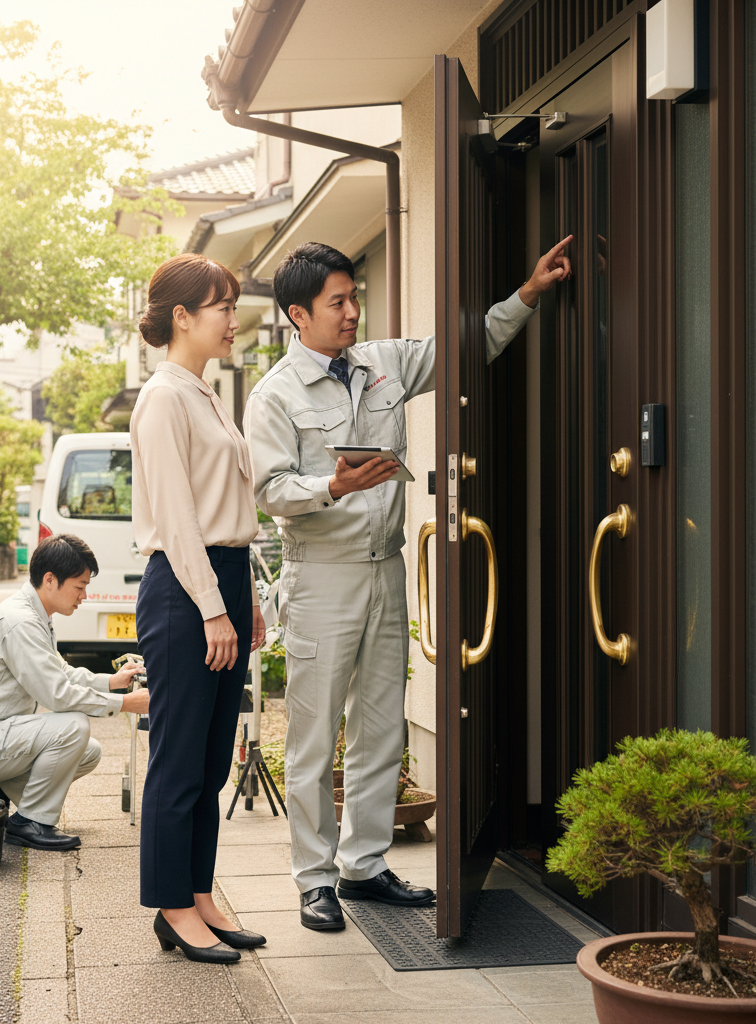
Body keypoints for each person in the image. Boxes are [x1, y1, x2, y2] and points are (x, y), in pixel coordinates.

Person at [244, 238, 572, 931]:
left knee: (379, 727)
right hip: (320, 578)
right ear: (299, 314)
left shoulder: (383, 363)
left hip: (385, 570)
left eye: (355, 297)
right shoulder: (274, 395)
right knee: (313, 737)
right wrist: (329, 484)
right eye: (338, 302)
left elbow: (470, 342)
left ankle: (363, 866)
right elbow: (269, 490)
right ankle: (315, 880)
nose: (353, 312)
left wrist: (531, 292)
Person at [131, 253, 268, 964]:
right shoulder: (163, 398)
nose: (231, 319)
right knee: (179, 761)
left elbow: (232, 512)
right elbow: (180, 521)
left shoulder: (207, 393)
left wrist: (246, 601)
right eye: (220, 306)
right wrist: (215, 609)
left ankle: (202, 895)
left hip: (222, 580)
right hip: (185, 590)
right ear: (182, 316)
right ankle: (172, 907)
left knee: (214, 759)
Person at [0, 534, 149, 852]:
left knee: (87, 751)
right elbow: (58, 695)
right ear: (50, 580)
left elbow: (60, 672)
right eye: (79, 586)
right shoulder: (20, 622)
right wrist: (125, 704)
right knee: (73, 726)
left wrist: (111, 682)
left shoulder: (36, 614)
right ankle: (30, 822)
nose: (84, 596)